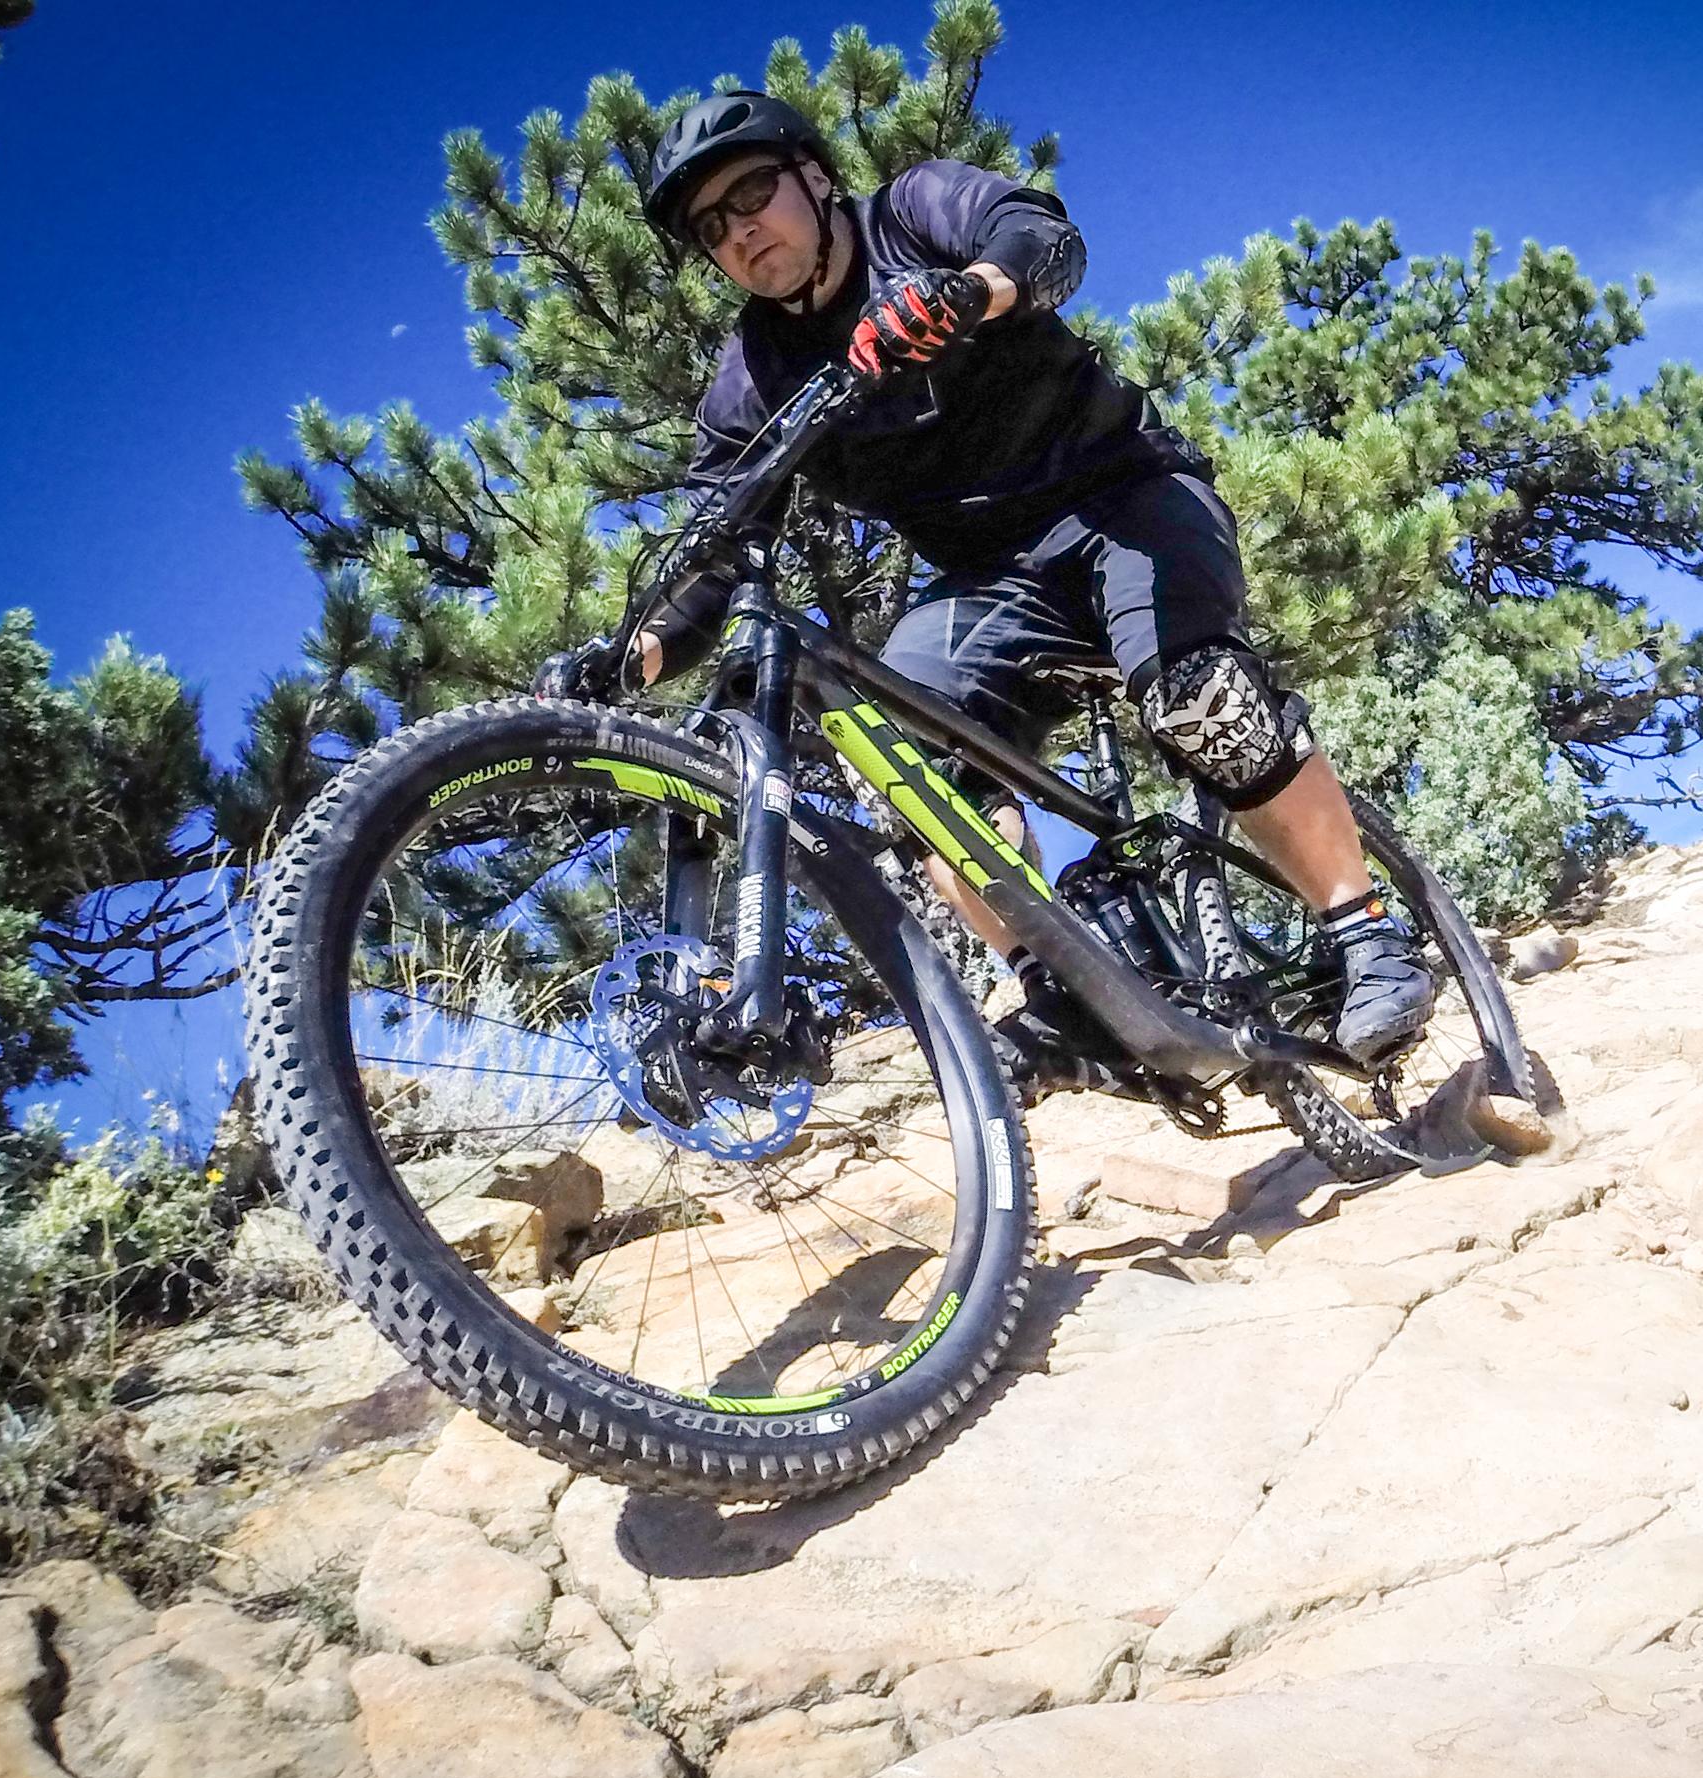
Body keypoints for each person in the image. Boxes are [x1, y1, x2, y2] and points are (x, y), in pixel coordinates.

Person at [602, 90, 1432, 1095]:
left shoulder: (911, 212)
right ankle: (1059, 988)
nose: (740, 229)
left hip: (1123, 496)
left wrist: (969, 291)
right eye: (711, 226)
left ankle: (1362, 926)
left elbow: (1040, 238)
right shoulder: (750, 383)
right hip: (989, 583)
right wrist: (630, 658)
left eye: (754, 192)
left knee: (1193, 691)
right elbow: (716, 551)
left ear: (816, 177)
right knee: (900, 764)